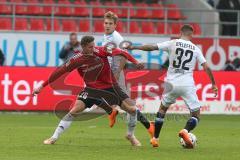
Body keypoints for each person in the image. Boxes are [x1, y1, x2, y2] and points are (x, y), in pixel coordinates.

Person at [32, 36, 150, 145]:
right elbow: (59, 71)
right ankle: (54, 138)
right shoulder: (76, 60)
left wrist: (135, 62)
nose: (93, 49)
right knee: (74, 111)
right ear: (83, 47)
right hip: (91, 89)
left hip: (110, 86)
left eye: (94, 46)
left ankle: (130, 135)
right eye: (90, 47)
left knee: (132, 109)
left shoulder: (101, 51)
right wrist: (42, 86)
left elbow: (121, 52)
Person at [126, 24, 218, 148]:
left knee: (162, 109)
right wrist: (213, 83)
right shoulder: (195, 48)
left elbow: (152, 47)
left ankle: (155, 138)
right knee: (196, 114)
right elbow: (206, 66)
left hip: (171, 84)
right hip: (187, 84)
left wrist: (134, 47)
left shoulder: (172, 43)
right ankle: (185, 131)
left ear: (180, 33)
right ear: (191, 35)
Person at [102, 11, 154, 146]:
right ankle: (114, 109)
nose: (107, 26)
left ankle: (131, 133)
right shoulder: (106, 36)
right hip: (107, 73)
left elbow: (124, 55)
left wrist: (117, 72)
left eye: (110, 24)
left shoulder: (117, 38)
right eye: (106, 23)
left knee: (130, 106)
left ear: (115, 25)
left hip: (115, 74)